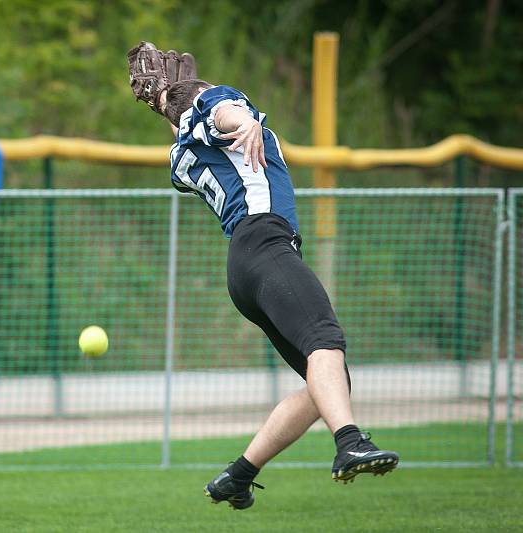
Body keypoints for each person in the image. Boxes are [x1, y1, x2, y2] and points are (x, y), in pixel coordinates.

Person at [147, 75, 400, 510]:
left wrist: (164, 102)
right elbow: (218, 107)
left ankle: (239, 474)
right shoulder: (216, 104)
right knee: (326, 341)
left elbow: (189, 123)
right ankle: (350, 443)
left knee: (328, 380)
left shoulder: (180, 155)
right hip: (267, 245)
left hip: (243, 267)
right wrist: (235, 116)